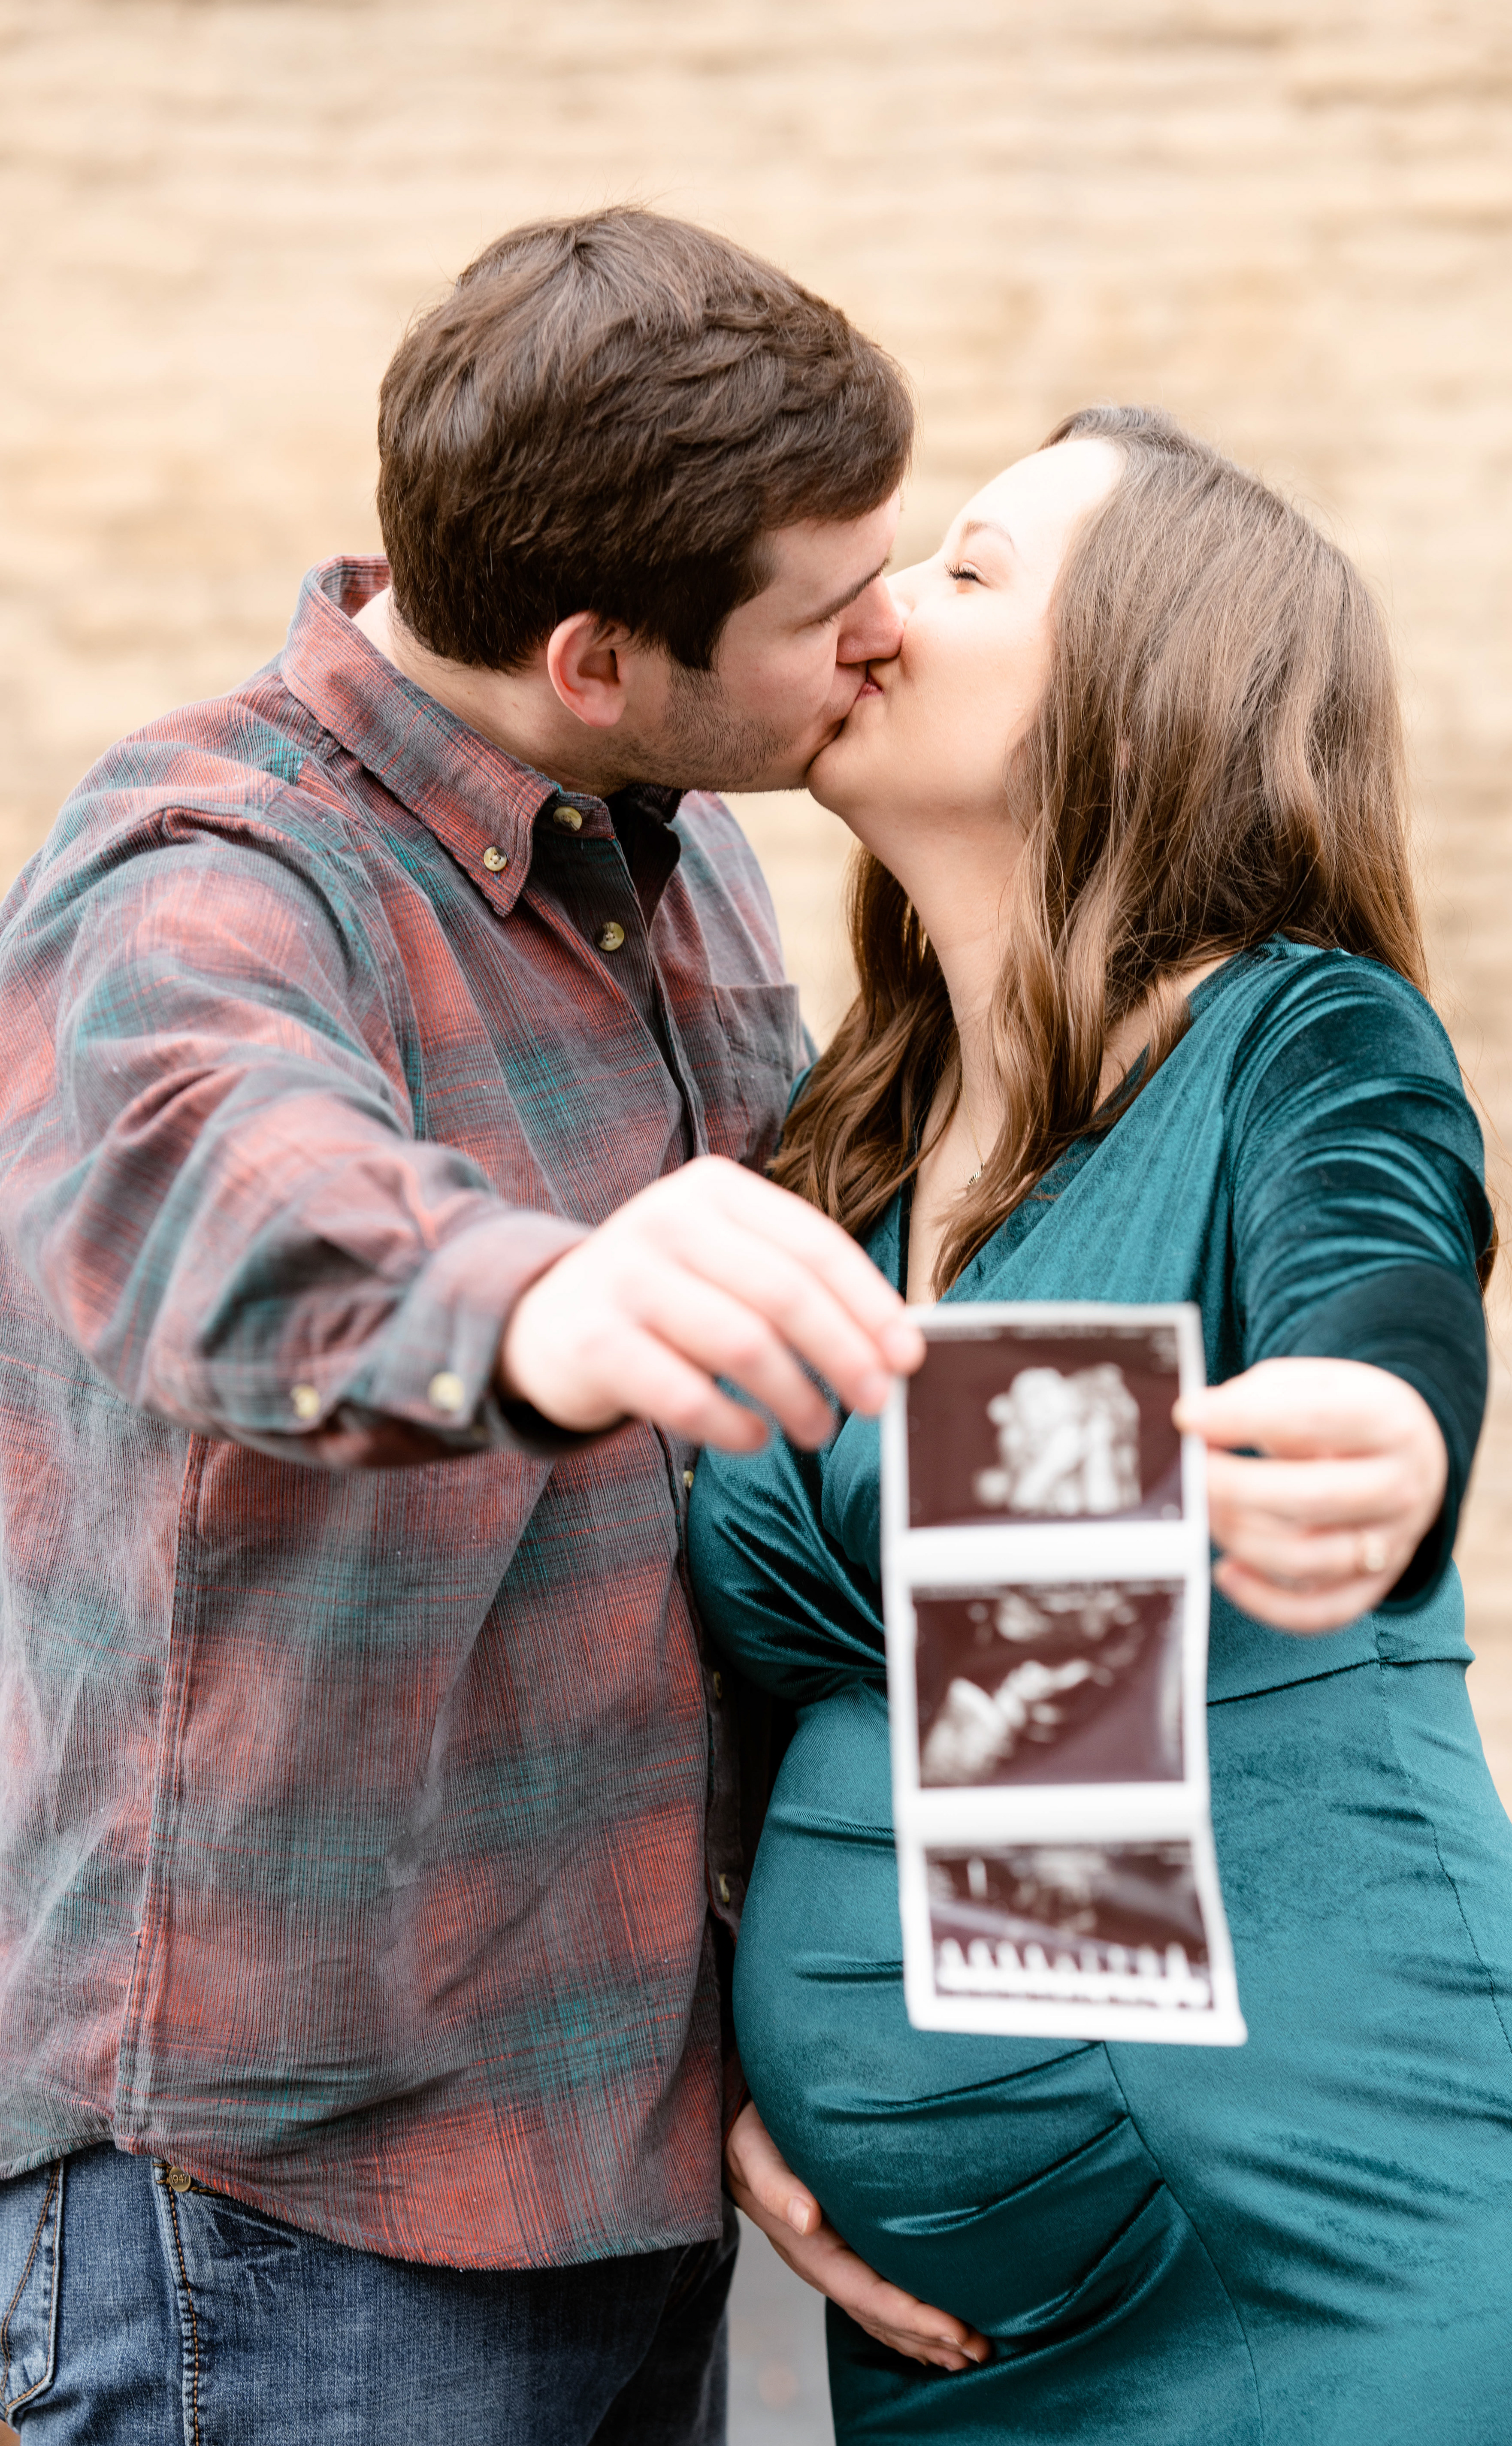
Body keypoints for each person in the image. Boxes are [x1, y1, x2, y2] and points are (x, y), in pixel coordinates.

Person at [0, 206, 972, 2443]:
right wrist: (536, 1293)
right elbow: (212, 1193)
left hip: (618, 2163)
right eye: (834, 609)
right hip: (286, 2211)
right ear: (600, 654)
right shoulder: (205, 872)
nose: (886, 634)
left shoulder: (679, 847)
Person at [689, 408, 1512, 2441]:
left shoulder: (1297, 1033)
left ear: (1144, 679)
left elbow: (1382, 1255)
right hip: (976, 2341)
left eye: (966, 570)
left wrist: (1389, 1425)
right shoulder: (840, 1142)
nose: (878, 611)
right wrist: (724, 2062)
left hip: (1364, 2241)